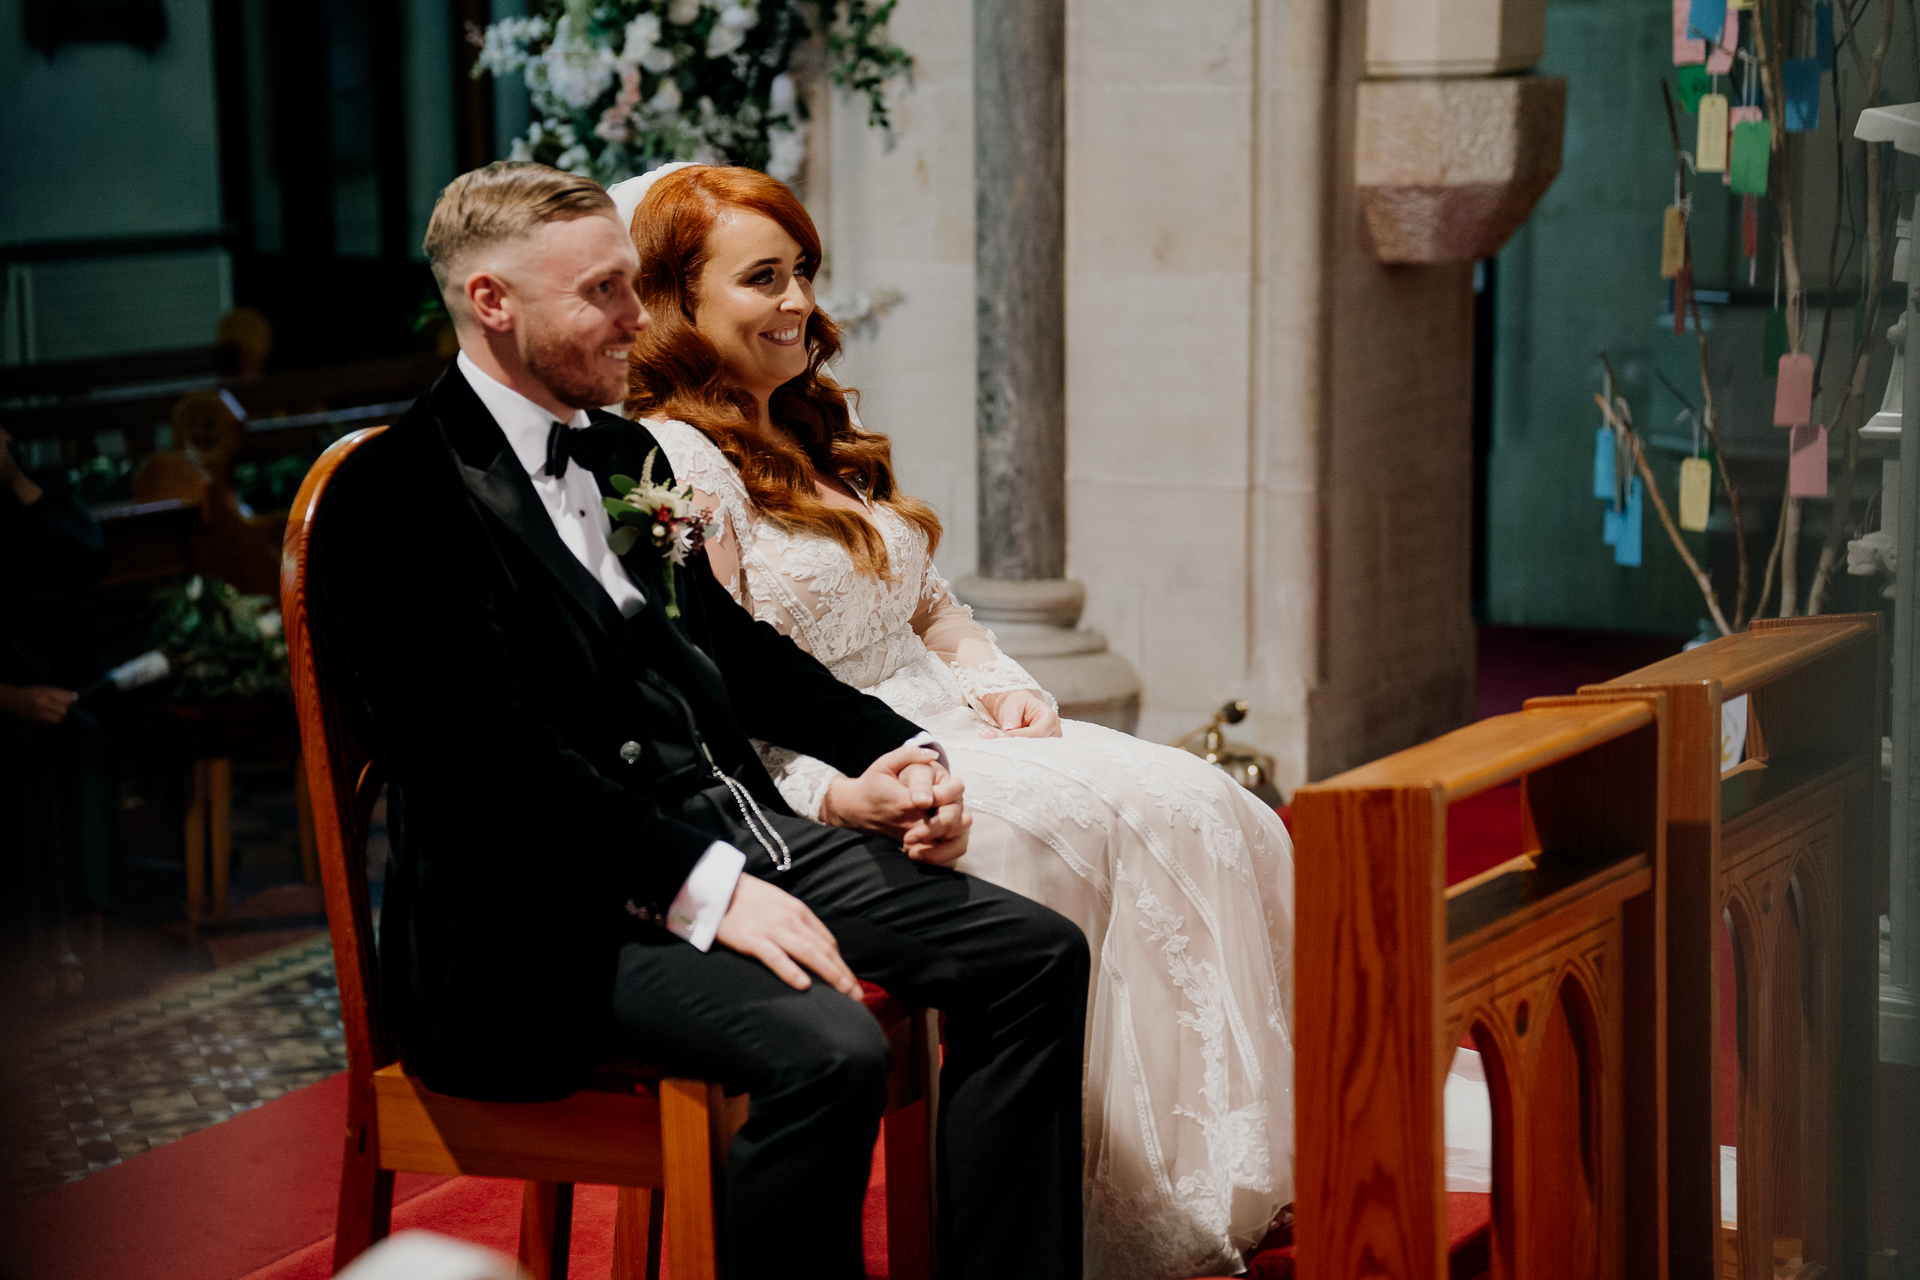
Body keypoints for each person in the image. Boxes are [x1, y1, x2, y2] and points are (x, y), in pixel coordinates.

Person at [310, 162, 1089, 1280]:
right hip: (539, 922)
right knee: (825, 1050)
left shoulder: (626, 455)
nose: (639, 319)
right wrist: (709, 890)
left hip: (731, 832)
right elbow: (494, 772)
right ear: (492, 301)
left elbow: (740, 654)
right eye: (602, 294)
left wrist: (899, 753)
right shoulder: (396, 502)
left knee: (1034, 954)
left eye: (634, 285)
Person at [616, 163, 1296, 1280]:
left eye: (804, 273)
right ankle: (1057, 1223)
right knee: (1052, 834)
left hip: (936, 723)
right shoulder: (679, 463)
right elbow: (724, 690)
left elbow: (926, 598)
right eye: (763, 278)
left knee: (1205, 798)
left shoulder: (812, 422)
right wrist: (844, 792)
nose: (796, 303)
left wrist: (995, 680)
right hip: (816, 767)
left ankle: (1208, 1175)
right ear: (673, 300)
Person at [0, 424, 115, 1001]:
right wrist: (13, 698)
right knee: (25, 749)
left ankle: (92, 934)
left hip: (26, 687)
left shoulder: (18, 506)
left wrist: (16, 478)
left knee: (83, 734)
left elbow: (87, 553)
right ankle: (43, 944)